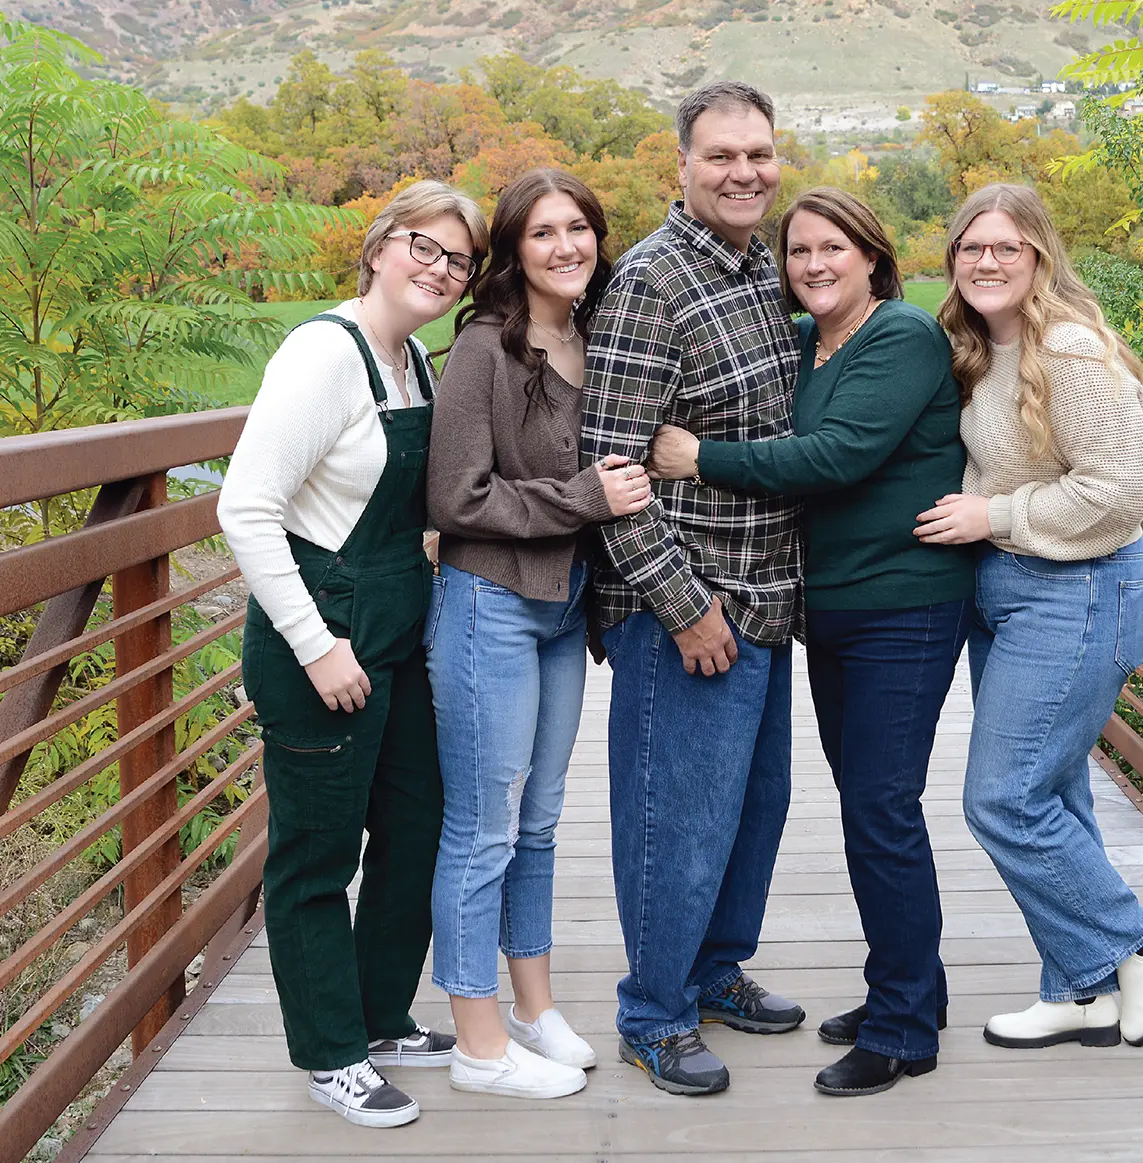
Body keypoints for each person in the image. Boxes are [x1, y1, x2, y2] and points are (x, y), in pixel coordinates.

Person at [646, 186, 975, 1097]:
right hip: (829, 606)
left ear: (873, 257)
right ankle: (914, 989)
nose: (814, 264)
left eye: (834, 247)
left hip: (902, 607)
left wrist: (696, 459)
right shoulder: (802, 343)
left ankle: (904, 1028)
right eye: (798, 252)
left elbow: (837, 454)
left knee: (881, 809)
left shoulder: (902, 337)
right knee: (869, 803)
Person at [218, 180, 488, 1128]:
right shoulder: (321, 356)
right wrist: (316, 645)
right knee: (315, 855)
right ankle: (332, 1052)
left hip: (397, 634)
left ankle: (380, 1015)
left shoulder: (409, 358)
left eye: (458, 260)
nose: (439, 270)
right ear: (378, 246)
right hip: (319, 639)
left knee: (419, 829)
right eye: (424, 245)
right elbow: (244, 508)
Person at [914, 182, 1143, 1051]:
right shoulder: (979, 346)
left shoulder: (1066, 348)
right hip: (1011, 593)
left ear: (1039, 258)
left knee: (1002, 798)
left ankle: (1137, 936)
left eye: (1008, 247)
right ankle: (1081, 989)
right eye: (972, 247)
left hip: (1079, 592)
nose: (987, 261)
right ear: (952, 260)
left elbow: (1120, 491)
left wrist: (989, 517)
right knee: (1055, 794)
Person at [579, 80, 807, 1097]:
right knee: (677, 818)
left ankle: (715, 974)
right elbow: (611, 468)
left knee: (753, 811)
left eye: (759, 153)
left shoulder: (761, 269)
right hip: (688, 611)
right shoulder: (649, 283)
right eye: (722, 155)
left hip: (768, 597)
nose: (744, 171)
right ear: (682, 164)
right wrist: (685, 607)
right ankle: (655, 1011)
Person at [423, 168, 653, 1100]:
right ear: (515, 251)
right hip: (489, 605)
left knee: (542, 820)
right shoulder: (484, 348)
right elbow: (457, 496)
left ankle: (532, 1005)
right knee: (485, 828)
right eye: (544, 233)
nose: (567, 246)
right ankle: (477, 1044)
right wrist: (585, 498)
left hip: (563, 610)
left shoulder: (596, 334)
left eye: (580, 229)